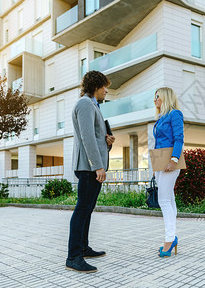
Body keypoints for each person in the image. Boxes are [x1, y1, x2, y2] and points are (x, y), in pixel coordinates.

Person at [66, 71, 115, 273]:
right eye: (105, 86)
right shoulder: (85, 104)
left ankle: (83, 248)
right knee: (82, 209)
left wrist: (106, 140)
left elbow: (94, 136)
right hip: (88, 167)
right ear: (96, 85)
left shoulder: (92, 105)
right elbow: (86, 137)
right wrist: (98, 166)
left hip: (91, 165)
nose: (106, 91)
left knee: (87, 208)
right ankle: (73, 256)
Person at [153, 87, 184, 257]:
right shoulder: (160, 118)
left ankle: (169, 240)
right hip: (160, 162)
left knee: (163, 200)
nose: (155, 100)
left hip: (170, 162)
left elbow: (179, 138)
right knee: (169, 199)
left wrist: (173, 159)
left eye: (157, 97)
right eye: (154, 97)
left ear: (165, 97)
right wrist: (155, 168)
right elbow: (158, 144)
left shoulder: (175, 114)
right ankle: (171, 237)